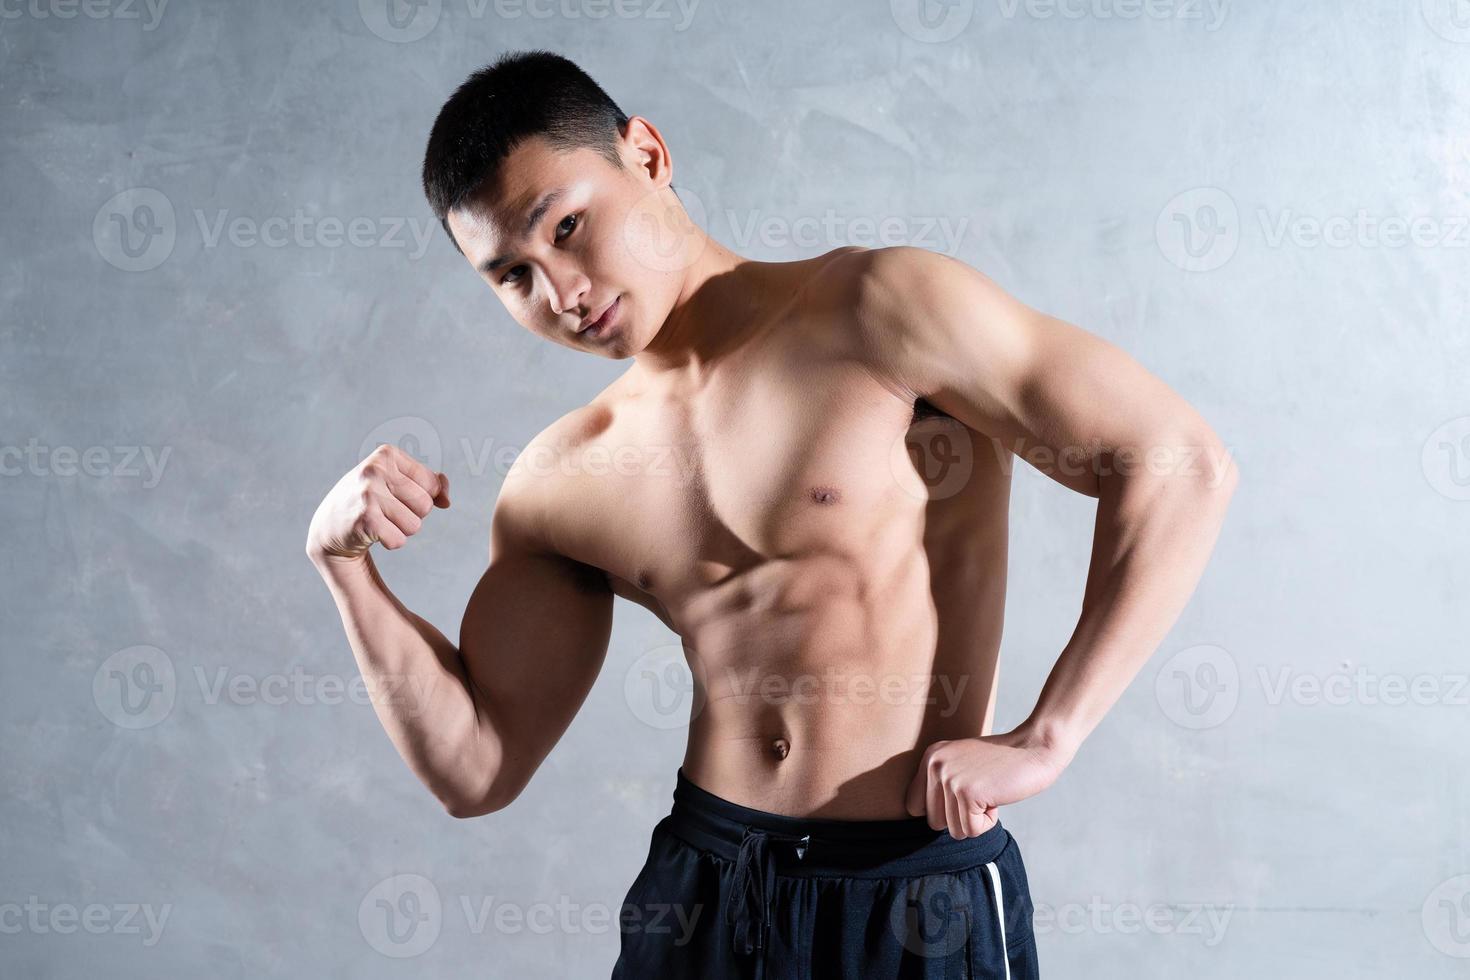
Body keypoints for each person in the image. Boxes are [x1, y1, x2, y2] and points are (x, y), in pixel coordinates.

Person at [304, 49, 1239, 979]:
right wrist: (342, 564)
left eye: (569, 227)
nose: (562, 292)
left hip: (912, 891)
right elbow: (477, 767)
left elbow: (1177, 462)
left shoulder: (877, 310)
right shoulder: (563, 477)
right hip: (703, 888)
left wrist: (1049, 736)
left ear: (649, 155)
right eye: (511, 275)